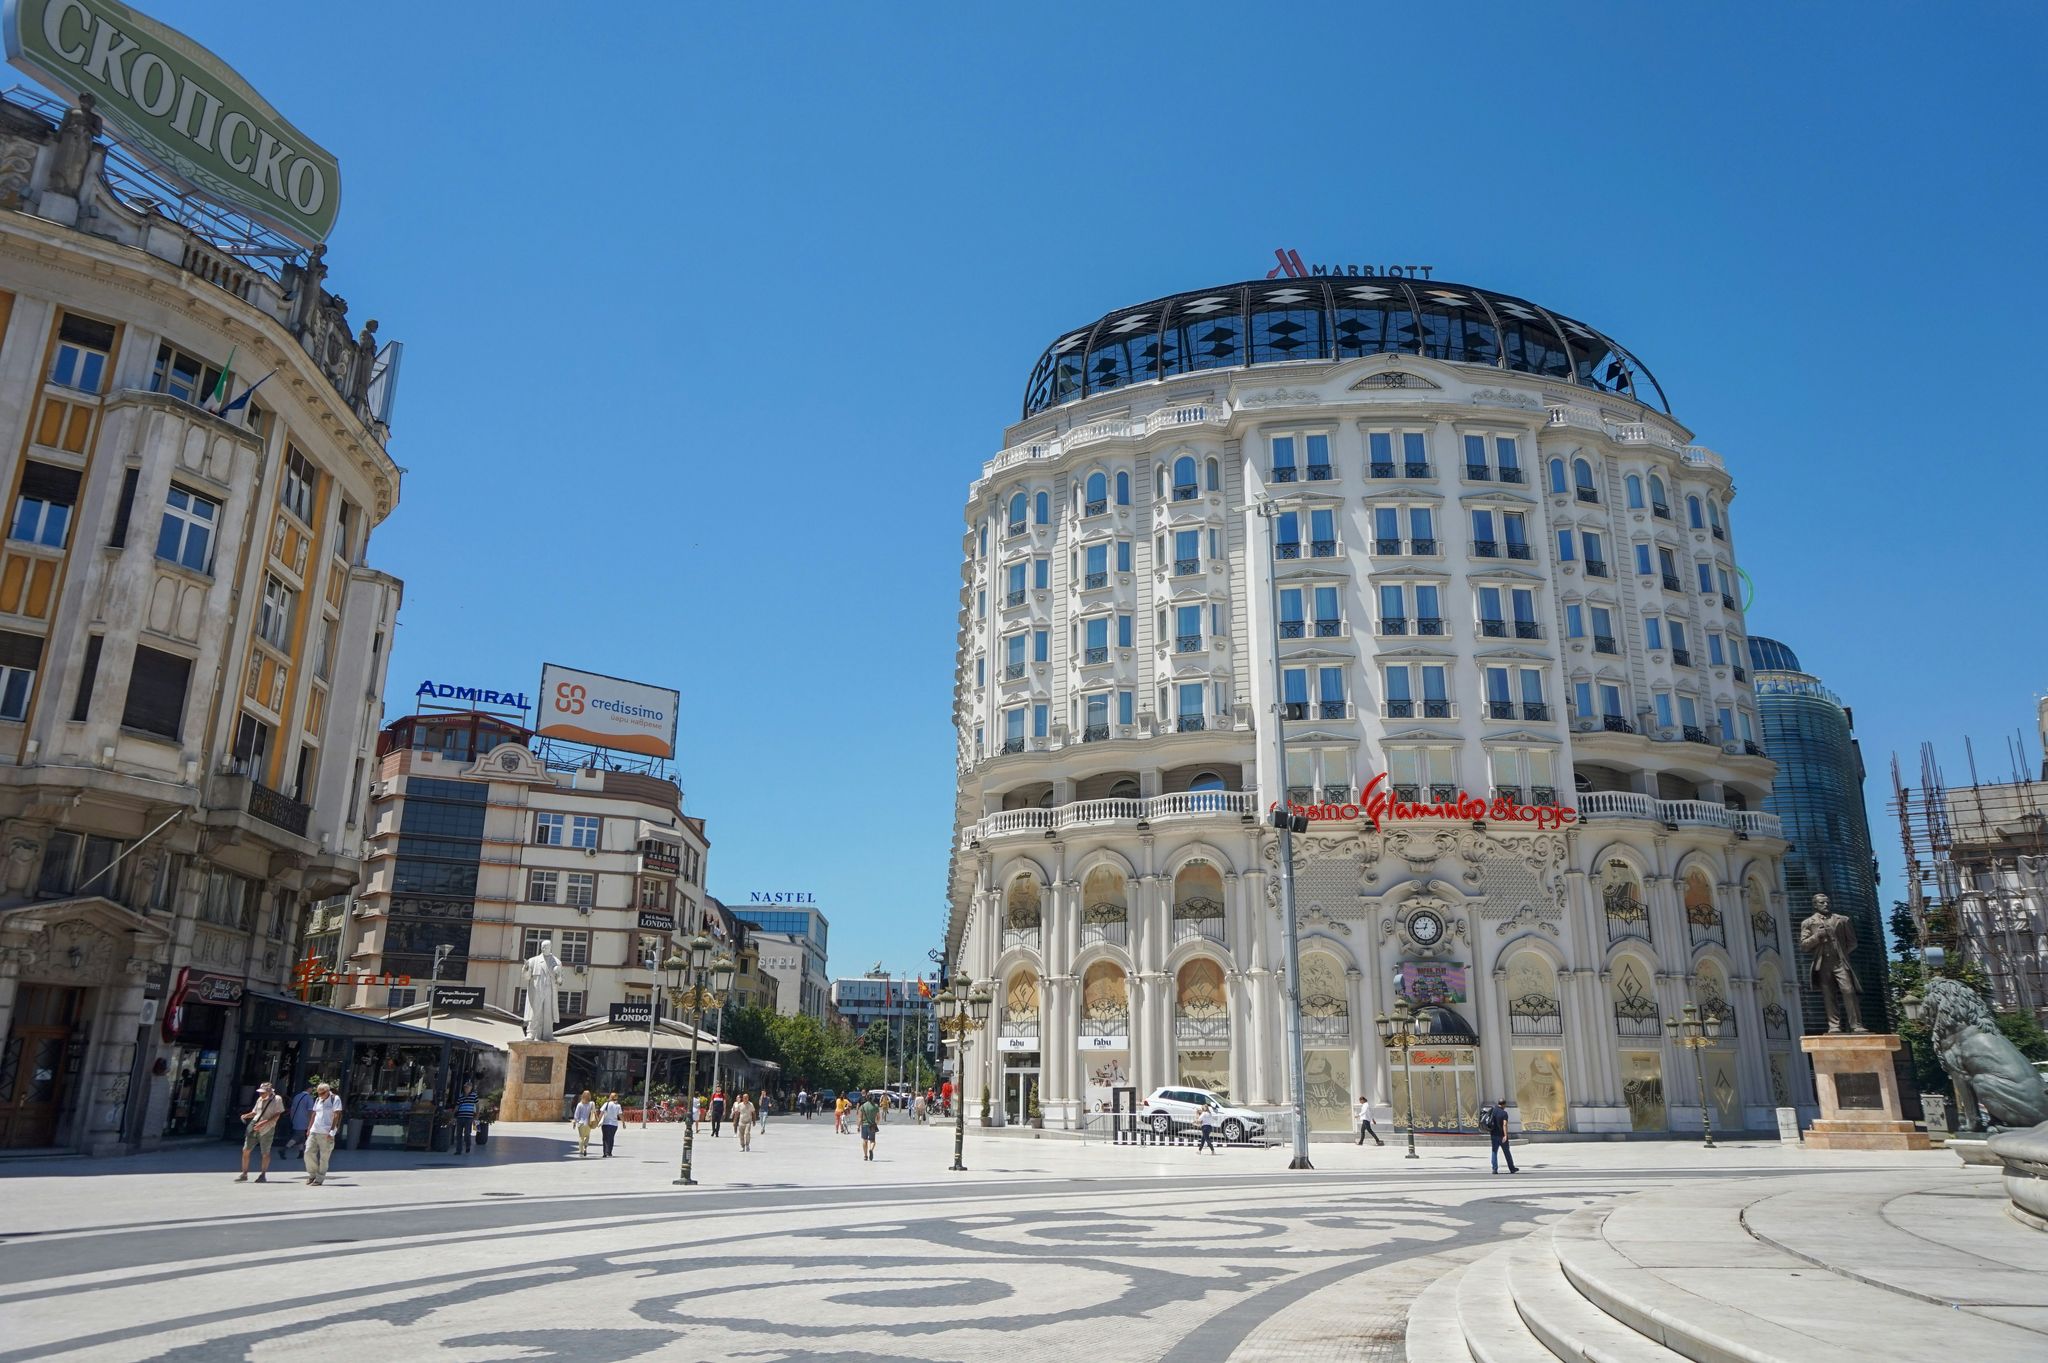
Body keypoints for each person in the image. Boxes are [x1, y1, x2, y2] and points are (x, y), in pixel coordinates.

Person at [236, 1081, 285, 1182]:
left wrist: (264, 1123)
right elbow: (255, 1112)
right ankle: (244, 1173)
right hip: (254, 1125)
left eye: (263, 1092)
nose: (260, 1094)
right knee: (246, 1150)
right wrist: (246, 1115)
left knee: (265, 1152)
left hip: (267, 1129)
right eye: (260, 1092)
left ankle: (263, 1174)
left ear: (269, 1092)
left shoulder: (277, 1099)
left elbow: (277, 1114)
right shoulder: (259, 1099)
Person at [303, 1081, 343, 1186]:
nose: (320, 1095)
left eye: (322, 1093)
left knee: (324, 1157)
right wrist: (309, 1128)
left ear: (328, 1091)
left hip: (326, 1132)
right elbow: (314, 1114)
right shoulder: (318, 1099)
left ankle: (319, 1178)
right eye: (318, 1093)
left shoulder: (335, 1099)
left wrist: (332, 1131)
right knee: (308, 1152)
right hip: (314, 1130)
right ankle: (312, 1174)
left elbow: (336, 1115)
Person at [1483, 1097, 1518, 1174]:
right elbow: (1504, 1124)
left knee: (1494, 1151)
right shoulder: (1504, 1113)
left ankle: (1494, 1169)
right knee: (1507, 1152)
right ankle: (1512, 1168)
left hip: (1493, 1135)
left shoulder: (1493, 1111)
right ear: (1504, 1104)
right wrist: (1505, 1135)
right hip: (1501, 1136)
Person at [287, 1077, 318, 1158]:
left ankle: (301, 1152)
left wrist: (292, 1118)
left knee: (301, 1137)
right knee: (298, 1136)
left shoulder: (297, 1096)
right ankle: (284, 1149)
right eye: (312, 1088)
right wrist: (311, 1121)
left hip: (295, 1119)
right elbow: (310, 1111)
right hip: (304, 1120)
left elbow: (292, 1109)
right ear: (309, 1088)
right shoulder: (309, 1098)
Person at [453, 1085, 479, 1155]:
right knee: (459, 1134)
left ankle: (468, 1145)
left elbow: (477, 1105)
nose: (467, 1088)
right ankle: (458, 1150)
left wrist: (477, 1115)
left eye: (468, 1087)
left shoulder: (474, 1096)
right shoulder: (461, 1096)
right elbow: (457, 1106)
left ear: (471, 1088)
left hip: (469, 1117)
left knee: (467, 1133)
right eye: (465, 1087)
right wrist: (453, 1115)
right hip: (460, 1117)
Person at [572, 1090, 596, 1157]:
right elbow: (594, 1112)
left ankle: (581, 1151)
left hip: (581, 1123)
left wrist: (574, 1122)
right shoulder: (592, 1103)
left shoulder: (579, 1104)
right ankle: (585, 1147)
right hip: (588, 1123)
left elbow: (576, 1115)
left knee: (581, 1137)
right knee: (587, 1136)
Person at [599, 1092, 623, 1157]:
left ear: (610, 1097)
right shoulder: (618, 1106)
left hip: (606, 1123)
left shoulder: (606, 1104)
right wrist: (623, 1122)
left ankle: (605, 1152)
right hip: (614, 1124)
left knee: (605, 1138)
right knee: (611, 1138)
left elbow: (601, 1113)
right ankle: (609, 1152)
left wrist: (598, 1120)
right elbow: (620, 1115)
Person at [858, 1092, 880, 1161]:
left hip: (864, 1125)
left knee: (865, 1140)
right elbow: (878, 1117)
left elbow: (860, 1118)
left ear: (866, 1098)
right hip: (872, 1125)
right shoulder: (876, 1106)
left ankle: (865, 1156)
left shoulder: (863, 1106)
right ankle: (871, 1149)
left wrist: (858, 1126)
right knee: (872, 1140)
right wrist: (876, 1123)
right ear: (873, 1098)